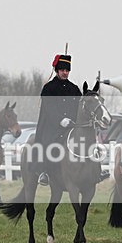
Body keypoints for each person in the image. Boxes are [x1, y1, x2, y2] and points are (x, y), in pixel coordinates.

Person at [34, 53, 82, 186]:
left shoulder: (75, 89)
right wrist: (61, 120)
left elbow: (80, 107)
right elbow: (49, 109)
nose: (65, 73)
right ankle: (44, 172)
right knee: (49, 144)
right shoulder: (48, 88)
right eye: (62, 70)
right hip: (52, 127)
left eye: (67, 70)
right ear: (56, 71)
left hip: (71, 127)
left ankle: (93, 171)